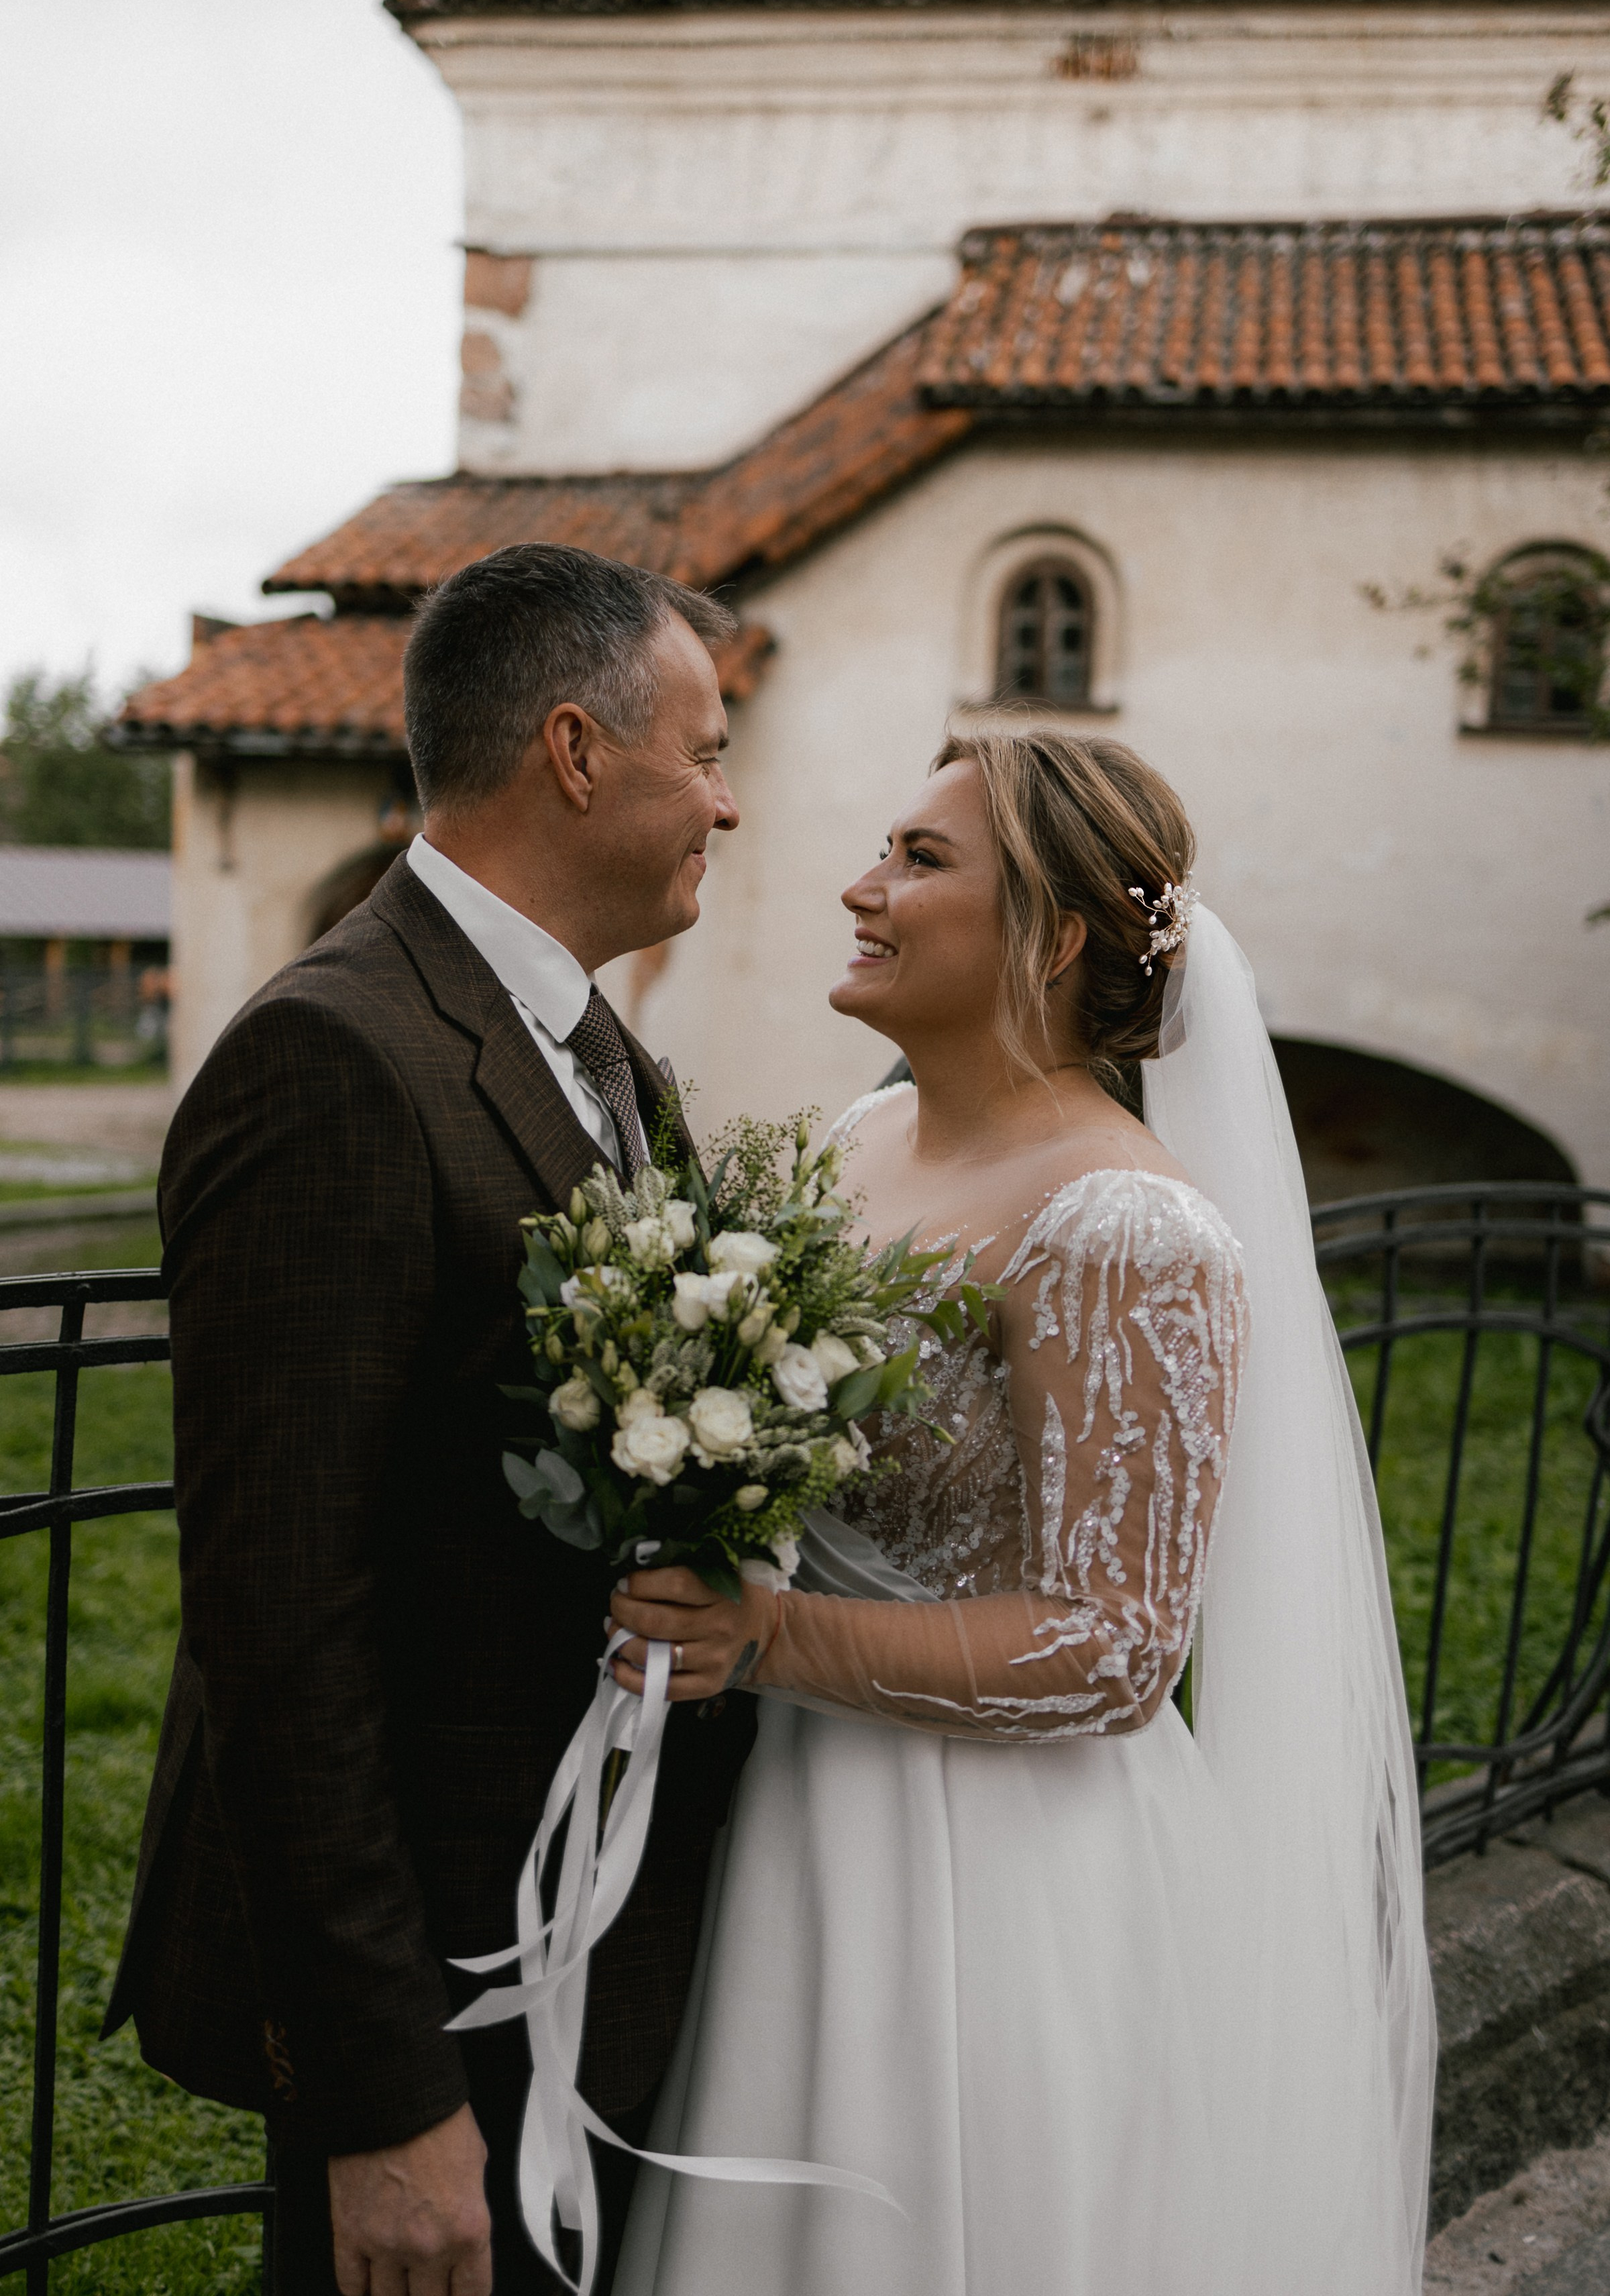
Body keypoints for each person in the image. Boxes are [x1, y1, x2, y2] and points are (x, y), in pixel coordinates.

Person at [602, 731, 1436, 2295]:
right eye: (883, 849)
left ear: (1054, 936)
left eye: (921, 860)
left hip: (987, 1880)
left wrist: (771, 1634)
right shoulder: (858, 1146)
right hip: (791, 1822)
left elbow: (1119, 1653)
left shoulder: (1127, 1226)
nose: (863, 885)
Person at [103, 544, 759, 2296]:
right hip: (442, 1991)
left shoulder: (611, 1061)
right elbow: (277, 1621)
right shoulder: (332, 1060)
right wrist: (382, 2105)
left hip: (593, 1952)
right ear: (574, 750)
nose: (731, 803)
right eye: (706, 750)